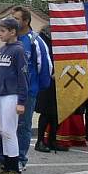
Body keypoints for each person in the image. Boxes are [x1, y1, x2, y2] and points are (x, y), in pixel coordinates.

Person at [10, 6, 52, 170]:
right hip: (9, 92)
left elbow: (45, 67)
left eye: (16, 18)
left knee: (23, 126)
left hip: (27, 92)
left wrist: (35, 87)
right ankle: (3, 157)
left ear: (26, 21)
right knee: (6, 126)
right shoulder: (11, 38)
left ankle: (21, 158)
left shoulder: (35, 40)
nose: (13, 21)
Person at [0, 17, 28, 174]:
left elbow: (23, 76)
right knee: (3, 131)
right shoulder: (2, 50)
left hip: (12, 95)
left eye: (3, 31)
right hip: (2, 95)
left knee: (10, 132)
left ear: (13, 32)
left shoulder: (18, 50)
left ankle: (15, 170)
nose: (0, 34)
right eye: (0, 31)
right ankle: (6, 166)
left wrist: (21, 101)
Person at [34, 25, 67, 153]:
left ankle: (52, 140)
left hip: (60, 78)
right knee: (46, 112)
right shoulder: (42, 40)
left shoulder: (59, 40)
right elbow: (41, 59)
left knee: (57, 113)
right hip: (47, 79)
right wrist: (49, 73)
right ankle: (40, 141)